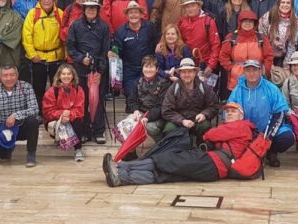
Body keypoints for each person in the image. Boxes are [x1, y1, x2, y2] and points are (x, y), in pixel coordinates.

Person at [103, 102, 264, 187]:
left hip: (213, 163)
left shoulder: (241, 126)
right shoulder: (234, 127)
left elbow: (211, 134)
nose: (229, 113)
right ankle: (121, 176)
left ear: (241, 115)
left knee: (168, 160)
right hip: (212, 165)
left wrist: (210, 135)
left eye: (233, 111)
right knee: (165, 174)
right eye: (227, 111)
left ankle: (120, 168)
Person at [228, 59, 295, 167]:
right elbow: (229, 113)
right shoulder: (237, 90)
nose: (251, 73)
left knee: (287, 137)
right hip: (247, 132)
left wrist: (266, 136)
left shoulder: (271, 88)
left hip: (268, 131)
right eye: (248, 70)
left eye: (254, 70)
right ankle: (251, 153)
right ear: (243, 72)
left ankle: (271, 152)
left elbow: (280, 112)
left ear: (260, 71)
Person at [65, 0, 111, 143]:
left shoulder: (104, 27)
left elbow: (106, 50)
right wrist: (80, 59)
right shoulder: (76, 26)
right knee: (82, 101)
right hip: (80, 70)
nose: (91, 10)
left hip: (97, 70)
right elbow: (70, 48)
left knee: (97, 101)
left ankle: (99, 131)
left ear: (98, 10)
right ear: (84, 9)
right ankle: (84, 131)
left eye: (94, 8)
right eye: (88, 8)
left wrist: (101, 70)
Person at [0, 65, 41, 167]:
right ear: (0, 77)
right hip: (3, 130)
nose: (9, 78)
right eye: (5, 75)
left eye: (12, 75)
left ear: (17, 75)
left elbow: (34, 109)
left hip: (21, 127)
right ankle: (5, 153)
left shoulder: (26, 87)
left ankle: (31, 154)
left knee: (33, 121)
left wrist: (15, 116)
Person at [22, 0, 65, 109]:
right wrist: (32, 55)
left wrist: (64, 55)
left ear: (54, 0)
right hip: (38, 58)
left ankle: (55, 110)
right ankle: (39, 112)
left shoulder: (60, 14)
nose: (47, 1)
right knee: (38, 87)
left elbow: (64, 35)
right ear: (39, 0)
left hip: (56, 58)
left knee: (56, 87)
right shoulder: (32, 14)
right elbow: (26, 35)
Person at [161, 57, 221, 143]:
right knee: (169, 129)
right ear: (180, 74)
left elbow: (214, 106)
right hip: (179, 121)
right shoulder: (173, 88)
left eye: (190, 71)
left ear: (194, 73)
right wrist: (182, 120)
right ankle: (178, 148)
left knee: (205, 125)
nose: (187, 74)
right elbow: (166, 110)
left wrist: (204, 114)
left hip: (197, 121)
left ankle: (201, 145)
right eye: (184, 72)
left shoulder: (204, 87)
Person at [112, 0, 160, 97]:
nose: (133, 15)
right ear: (126, 16)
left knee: (149, 96)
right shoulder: (120, 31)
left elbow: (157, 41)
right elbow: (117, 51)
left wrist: (160, 44)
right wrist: (113, 52)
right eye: (131, 12)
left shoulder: (150, 27)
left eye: (136, 12)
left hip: (148, 67)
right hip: (129, 69)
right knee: (131, 95)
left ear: (141, 14)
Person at [219, 9, 273, 93]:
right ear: (240, 23)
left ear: (254, 23)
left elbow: (269, 56)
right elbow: (223, 56)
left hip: (258, 76)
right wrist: (231, 68)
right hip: (236, 78)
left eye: (250, 21)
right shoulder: (231, 38)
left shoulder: (261, 38)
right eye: (245, 21)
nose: (248, 23)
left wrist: (264, 70)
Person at [41, 63, 86, 163]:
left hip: (71, 118)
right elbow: (47, 111)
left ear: (73, 75)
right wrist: (61, 115)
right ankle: (59, 139)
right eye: (64, 74)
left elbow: (80, 109)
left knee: (78, 121)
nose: (66, 76)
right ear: (59, 76)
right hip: (56, 120)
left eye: (69, 74)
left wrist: (69, 115)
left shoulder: (79, 90)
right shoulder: (52, 91)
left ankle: (78, 149)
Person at [125, 56, 170, 143]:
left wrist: (147, 117)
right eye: (146, 67)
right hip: (141, 112)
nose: (148, 70)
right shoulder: (137, 82)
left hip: (158, 116)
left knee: (150, 127)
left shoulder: (164, 83)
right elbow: (132, 99)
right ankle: (131, 153)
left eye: (151, 67)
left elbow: (161, 106)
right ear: (142, 68)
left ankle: (162, 143)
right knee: (128, 124)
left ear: (157, 69)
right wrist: (136, 110)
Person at [178, 0, 221, 82]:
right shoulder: (181, 21)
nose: (190, 9)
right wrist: (160, 43)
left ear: (199, 6)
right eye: (187, 6)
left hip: (204, 64)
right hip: (187, 64)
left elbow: (216, 45)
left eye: (193, 5)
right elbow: (172, 35)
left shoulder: (208, 21)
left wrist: (211, 66)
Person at [258, 0, 298, 66]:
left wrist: (286, 64)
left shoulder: (296, 20)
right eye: (283, 2)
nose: (285, 5)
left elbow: (293, 44)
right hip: (267, 54)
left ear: (292, 5)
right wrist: (268, 59)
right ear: (278, 4)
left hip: (283, 57)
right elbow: (262, 37)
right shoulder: (268, 16)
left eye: (288, 3)